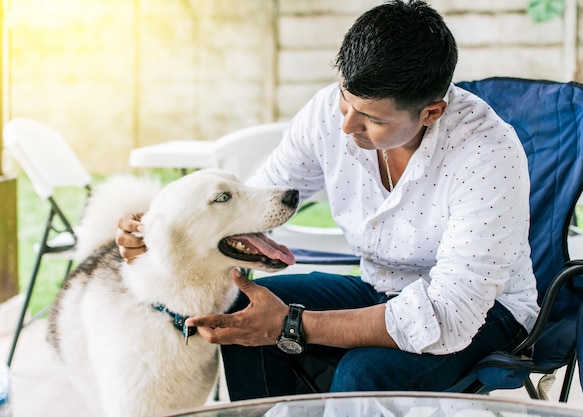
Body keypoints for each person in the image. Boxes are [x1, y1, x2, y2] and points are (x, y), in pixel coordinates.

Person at [116, 0, 539, 400]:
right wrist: (161, 236)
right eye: (344, 99)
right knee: (243, 316)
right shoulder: (328, 114)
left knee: (361, 372)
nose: (346, 125)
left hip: (486, 313)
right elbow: (258, 207)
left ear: (430, 113)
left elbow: (450, 317)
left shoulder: (488, 155)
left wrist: (292, 324)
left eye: (372, 119)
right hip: (381, 289)